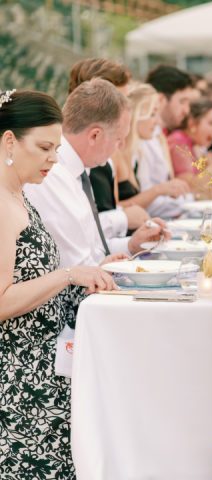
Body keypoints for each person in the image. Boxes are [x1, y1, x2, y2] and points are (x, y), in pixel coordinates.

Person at [0, 89, 117, 478]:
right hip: (21, 386)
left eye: (57, 148)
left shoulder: (20, 194)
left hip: (45, 371)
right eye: (45, 147)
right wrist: (68, 275)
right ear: (9, 141)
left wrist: (88, 276)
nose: (53, 158)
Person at [24, 78, 168, 268]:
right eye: (118, 139)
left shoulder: (80, 169)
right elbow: (76, 267)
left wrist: (131, 245)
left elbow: (93, 249)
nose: (121, 146)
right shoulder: (51, 174)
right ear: (95, 135)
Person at [69, 58, 149, 236]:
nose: (128, 107)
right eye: (120, 99)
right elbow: (81, 228)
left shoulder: (111, 149)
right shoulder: (78, 152)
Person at [112, 84, 189, 210]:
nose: (158, 122)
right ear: (137, 114)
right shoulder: (117, 153)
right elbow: (114, 209)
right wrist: (159, 190)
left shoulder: (136, 151)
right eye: (152, 114)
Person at [139, 65, 195, 218]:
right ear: (162, 99)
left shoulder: (158, 136)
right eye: (182, 101)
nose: (187, 110)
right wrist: (191, 201)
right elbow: (147, 199)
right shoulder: (143, 138)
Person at [168, 99, 212, 196]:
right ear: (192, 123)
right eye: (211, 123)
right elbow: (192, 187)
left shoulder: (194, 145)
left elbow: (208, 186)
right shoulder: (178, 142)